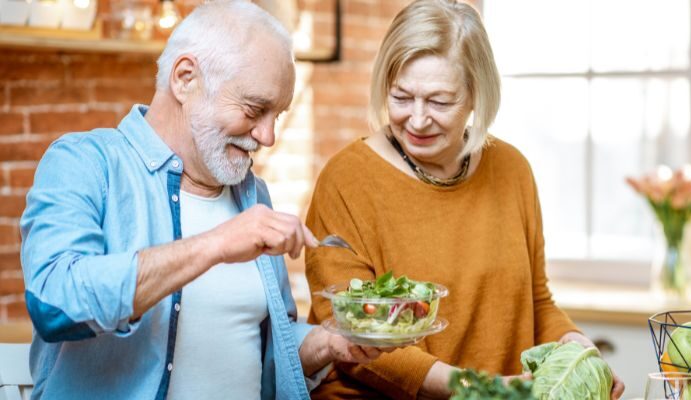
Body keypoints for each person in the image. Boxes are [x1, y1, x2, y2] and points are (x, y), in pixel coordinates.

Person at [19, 1, 389, 399]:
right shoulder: (85, 163)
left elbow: (258, 356)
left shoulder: (252, 194)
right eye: (254, 108)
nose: (267, 137)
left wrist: (326, 345)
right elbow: (54, 303)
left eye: (277, 116)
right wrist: (215, 244)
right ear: (185, 78)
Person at [304, 0, 626, 398]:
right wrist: (482, 389)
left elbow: (536, 301)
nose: (418, 119)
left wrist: (581, 353)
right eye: (402, 97)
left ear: (477, 95)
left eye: (440, 101)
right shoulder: (347, 180)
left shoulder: (511, 170)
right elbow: (354, 340)